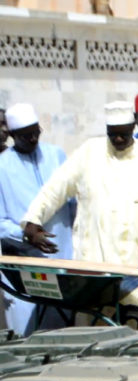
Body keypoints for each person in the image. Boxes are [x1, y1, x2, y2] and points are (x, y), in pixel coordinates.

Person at [21, 101, 138, 311]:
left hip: (135, 266)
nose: (118, 139)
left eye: (123, 134)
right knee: (95, 328)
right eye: (113, 134)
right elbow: (55, 189)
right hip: (94, 265)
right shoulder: (89, 152)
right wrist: (32, 220)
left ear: (132, 129)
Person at [0, 103, 75, 335]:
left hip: (63, 264)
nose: (33, 139)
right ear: (12, 136)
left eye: (36, 132)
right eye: (25, 135)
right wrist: (24, 234)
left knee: (67, 338)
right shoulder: (2, 166)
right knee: (29, 339)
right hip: (25, 269)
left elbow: (72, 203)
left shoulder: (56, 155)